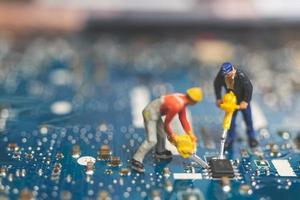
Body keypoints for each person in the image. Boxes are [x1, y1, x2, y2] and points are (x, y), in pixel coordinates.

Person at [131, 87, 202, 173]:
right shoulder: (177, 105)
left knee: (161, 133)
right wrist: (172, 136)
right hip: (150, 112)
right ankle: (136, 159)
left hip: (156, 112)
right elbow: (167, 124)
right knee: (152, 140)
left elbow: (183, 119)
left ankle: (160, 152)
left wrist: (190, 134)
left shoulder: (181, 99)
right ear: (194, 101)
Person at [214, 62, 258, 149]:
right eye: (224, 75)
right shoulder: (222, 75)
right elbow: (217, 84)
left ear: (232, 71)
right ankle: (230, 139)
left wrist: (245, 101)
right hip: (231, 101)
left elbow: (249, 88)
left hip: (242, 101)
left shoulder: (241, 76)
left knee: (248, 119)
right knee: (231, 121)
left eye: (227, 74)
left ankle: (251, 137)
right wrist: (218, 98)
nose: (226, 76)